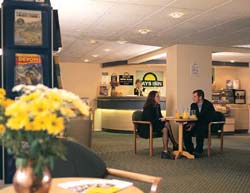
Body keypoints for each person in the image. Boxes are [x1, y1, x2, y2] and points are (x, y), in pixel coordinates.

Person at [140, 91, 178, 159]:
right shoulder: (148, 107)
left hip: (155, 125)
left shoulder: (157, 105)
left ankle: (165, 151)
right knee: (167, 123)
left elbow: (159, 116)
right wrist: (161, 120)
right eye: (157, 96)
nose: (159, 98)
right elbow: (150, 120)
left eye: (159, 96)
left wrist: (162, 119)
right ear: (152, 98)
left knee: (165, 129)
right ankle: (174, 144)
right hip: (148, 127)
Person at [183, 89, 215, 158]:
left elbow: (208, 118)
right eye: (193, 96)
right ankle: (189, 149)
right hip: (196, 124)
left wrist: (194, 123)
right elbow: (193, 117)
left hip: (207, 125)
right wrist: (191, 124)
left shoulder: (208, 105)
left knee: (200, 128)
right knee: (185, 127)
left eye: (195, 96)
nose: (193, 98)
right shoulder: (193, 105)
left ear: (200, 97)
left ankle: (198, 150)